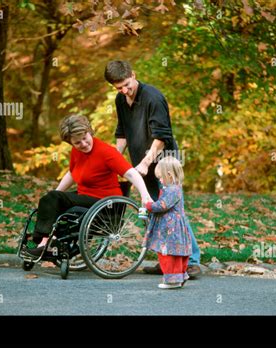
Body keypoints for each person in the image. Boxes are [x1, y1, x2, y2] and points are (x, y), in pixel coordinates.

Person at [104, 60, 202, 278]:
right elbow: (122, 133)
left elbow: (161, 136)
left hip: (165, 162)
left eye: (127, 85)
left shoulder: (153, 97)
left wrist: (147, 163)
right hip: (142, 163)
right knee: (154, 212)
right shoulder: (121, 100)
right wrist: (112, 160)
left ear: (133, 74)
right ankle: (166, 259)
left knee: (172, 211)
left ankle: (192, 261)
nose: (124, 90)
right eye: (119, 88)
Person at [25, 114, 152, 257]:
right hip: (85, 197)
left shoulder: (106, 152)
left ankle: (44, 242)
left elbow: (130, 174)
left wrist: (145, 195)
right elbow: (72, 174)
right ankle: (46, 241)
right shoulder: (76, 152)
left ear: (89, 132)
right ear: (71, 144)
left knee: (54, 198)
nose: (83, 144)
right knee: (50, 199)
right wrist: (54, 196)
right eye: (77, 143)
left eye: (85, 138)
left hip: (105, 204)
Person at [143, 157, 192, 289]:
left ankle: (172, 280)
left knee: (168, 253)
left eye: (160, 177)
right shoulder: (175, 188)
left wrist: (149, 205)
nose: (159, 180)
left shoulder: (172, 190)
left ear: (169, 175)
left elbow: (162, 205)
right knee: (175, 252)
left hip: (171, 229)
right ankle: (179, 277)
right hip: (174, 226)